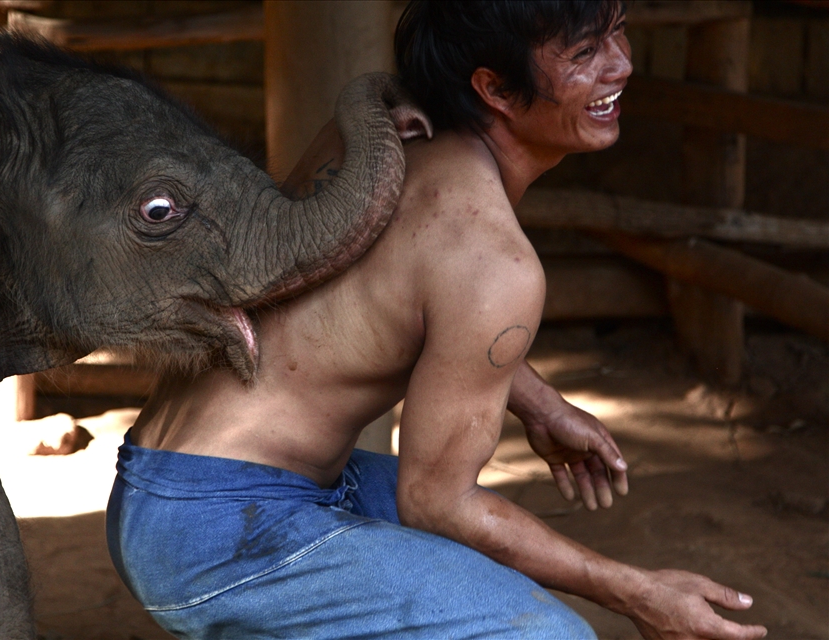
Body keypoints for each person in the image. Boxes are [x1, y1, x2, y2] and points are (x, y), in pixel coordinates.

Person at [107, 2, 768, 638]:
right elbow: (436, 501)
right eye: (586, 52)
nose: (621, 65)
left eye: (619, 33)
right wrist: (641, 593)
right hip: (219, 537)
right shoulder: (493, 260)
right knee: (545, 636)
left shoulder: (372, 136)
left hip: (157, 490)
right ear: (496, 90)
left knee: (496, 553)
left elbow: (408, 299)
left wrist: (535, 402)